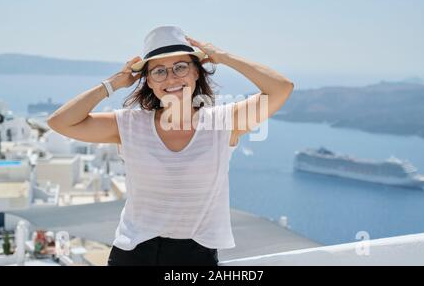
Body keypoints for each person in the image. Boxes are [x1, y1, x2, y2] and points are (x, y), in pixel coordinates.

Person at [47, 25, 294, 266]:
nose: (171, 77)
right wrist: (113, 83)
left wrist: (223, 56)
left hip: (196, 257)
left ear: (197, 72)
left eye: (181, 67)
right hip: (132, 254)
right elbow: (60, 122)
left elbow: (281, 88)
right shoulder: (129, 124)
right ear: (149, 82)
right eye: (159, 71)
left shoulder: (223, 123)